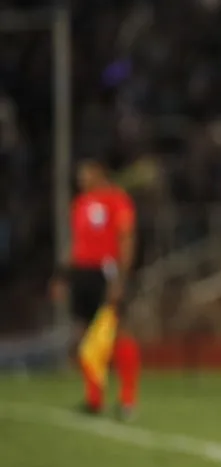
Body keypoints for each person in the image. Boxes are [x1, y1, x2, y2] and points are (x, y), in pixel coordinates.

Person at [51, 158, 141, 419]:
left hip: (107, 271)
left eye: (86, 174)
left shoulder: (117, 200)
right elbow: (76, 243)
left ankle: (128, 400)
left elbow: (126, 238)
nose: (82, 179)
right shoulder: (79, 204)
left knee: (120, 331)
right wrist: (62, 277)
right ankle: (94, 399)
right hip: (83, 273)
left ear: (100, 173)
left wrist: (121, 279)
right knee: (86, 336)